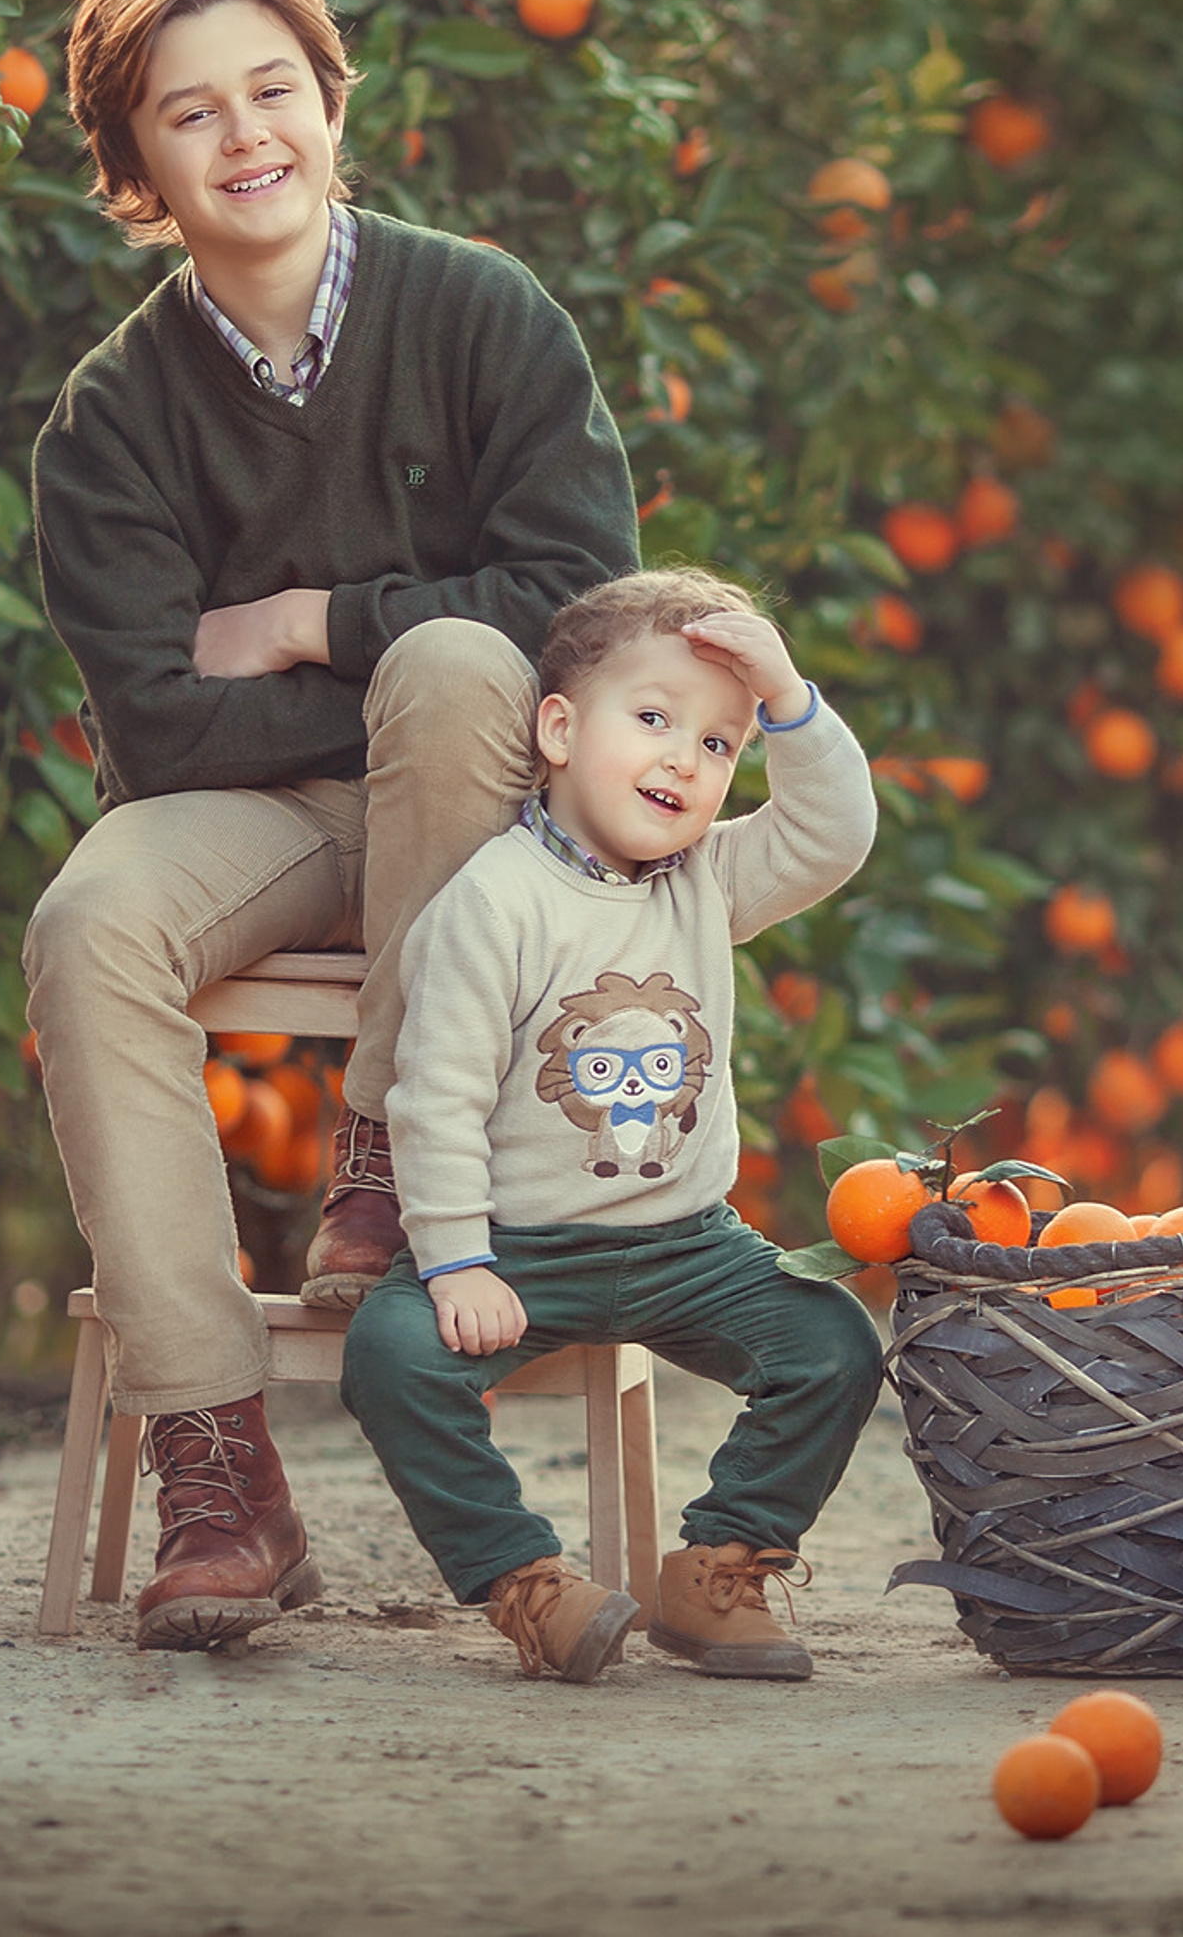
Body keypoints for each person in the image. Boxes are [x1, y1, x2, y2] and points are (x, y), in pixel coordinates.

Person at [21, 0, 637, 1649]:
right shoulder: (114, 417)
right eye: (189, 115)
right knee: (90, 922)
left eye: (271, 90)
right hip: (274, 821)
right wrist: (375, 689)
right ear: (135, 159)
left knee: (458, 675)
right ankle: (216, 1465)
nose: (244, 140)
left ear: (330, 95)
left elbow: (578, 625)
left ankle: (386, 1149)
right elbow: (149, 728)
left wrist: (306, 621)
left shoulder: (482, 313)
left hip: (494, 812)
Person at [338, 566, 882, 1684]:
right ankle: (522, 1580)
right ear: (557, 727)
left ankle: (721, 1565)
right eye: (652, 719)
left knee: (831, 1345)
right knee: (389, 1354)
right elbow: (431, 1095)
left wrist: (789, 700)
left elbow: (833, 835)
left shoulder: (706, 880)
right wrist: (454, 1263)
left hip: (688, 1243)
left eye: (719, 744)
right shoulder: (494, 902)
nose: (686, 758)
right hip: (524, 1249)